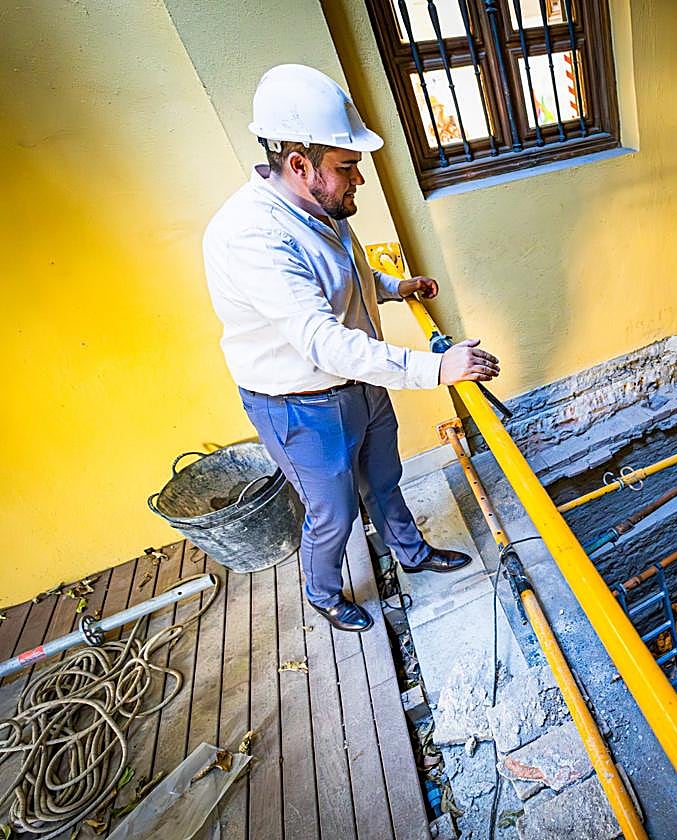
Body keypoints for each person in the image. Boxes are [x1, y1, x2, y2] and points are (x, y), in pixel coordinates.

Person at [203, 64, 500, 632]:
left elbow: (343, 279)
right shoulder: (253, 237)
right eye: (346, 168)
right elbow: (321, 339)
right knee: (332, 514)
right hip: (301, 405)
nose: (356, 180)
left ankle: (412, 554)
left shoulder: (319, 206)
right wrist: (438, 367)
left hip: (359, 381)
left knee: (384, 480)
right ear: (299, 164)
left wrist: (392, 289)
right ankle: (323, 592)